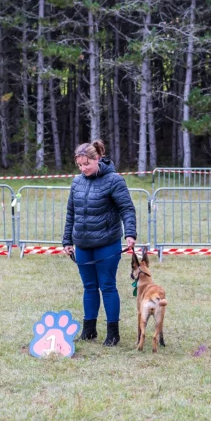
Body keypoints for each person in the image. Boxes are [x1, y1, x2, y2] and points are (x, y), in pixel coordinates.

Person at [63, 140, 137, 346]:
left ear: (97, 159)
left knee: (107, 286)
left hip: (107, 243)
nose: (83, 168)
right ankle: (89, 330)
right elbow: (71, 212)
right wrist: (67, 240)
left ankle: (113, 333)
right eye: (79, 165)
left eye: (86, 163)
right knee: (89, 287)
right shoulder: (77, 182)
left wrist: (130, 233)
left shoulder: (114, 180)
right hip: (83, 244)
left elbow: (127, 209)